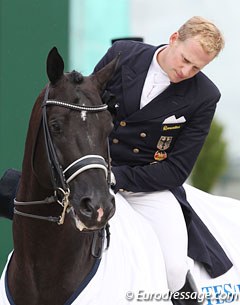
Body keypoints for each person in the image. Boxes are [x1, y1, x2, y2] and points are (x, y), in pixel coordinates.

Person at [0, 16, 232, 304]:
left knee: (174, 267)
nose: (186, 71)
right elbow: (84, 107)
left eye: (196, 68)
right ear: (174, 38)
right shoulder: (123, 56)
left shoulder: (205, 95)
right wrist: (93, 171)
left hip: (147, 187)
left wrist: (114, 178)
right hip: (89, 172)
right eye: (185, 59)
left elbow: (176, 170)